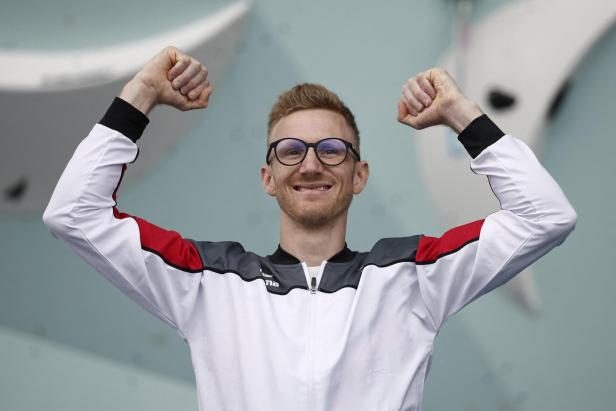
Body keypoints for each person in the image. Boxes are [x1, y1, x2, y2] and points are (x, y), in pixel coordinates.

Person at [43, 47, 577, 411]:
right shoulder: (205, 282)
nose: (312, 164)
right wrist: (140, 92)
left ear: (359, 174)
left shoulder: (415, 275)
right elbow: (73, 212)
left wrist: (462, 114)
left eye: (332, 150)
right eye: (291, 151)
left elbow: (546, 215)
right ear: (268, 178)